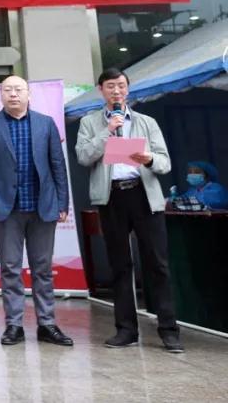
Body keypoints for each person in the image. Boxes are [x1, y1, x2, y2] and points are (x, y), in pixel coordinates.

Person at [75, 68, 182, 352]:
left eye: (121, 86)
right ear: (101, 90)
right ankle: (126, 330)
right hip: (112, 197)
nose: (117, 91)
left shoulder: (147, 122)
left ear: (128, 89)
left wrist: (148, 159)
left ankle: (168, 329)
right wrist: (107, 132)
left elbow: (165, 162)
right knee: (120, 264)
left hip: (143, 195)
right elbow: (84, 156)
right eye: (111, 86)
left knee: (157, 263)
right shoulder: (89, 122)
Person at [0, 75, 73, 348]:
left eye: (18, 89)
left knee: (43, 268)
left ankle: (47, 324)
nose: (13, 94)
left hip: (43, 206)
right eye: (7, 90)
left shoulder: (46, 123)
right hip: (7, 210)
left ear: (29, 94)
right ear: (1, 95)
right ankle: (14, 325)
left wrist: (62, 203)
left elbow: (58, 165)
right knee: (10, 268)